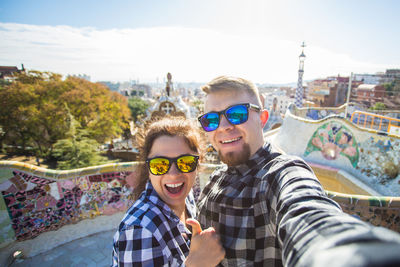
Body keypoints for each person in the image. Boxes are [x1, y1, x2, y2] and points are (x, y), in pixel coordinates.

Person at [196, 76, 400, 267]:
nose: (223, 126)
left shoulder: (279, 174)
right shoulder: (217, 177)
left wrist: (341, 253)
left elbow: (307, 213)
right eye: (211, 120)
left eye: (236, 114)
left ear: (263, 118)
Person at [112, 117, 225, 266]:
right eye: (160, 165)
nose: (173, 174)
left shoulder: (187, 194)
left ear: (198, 162)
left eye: (185, 162)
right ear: (148, 168)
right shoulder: (140, 230)